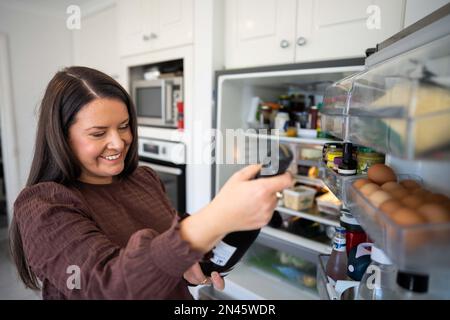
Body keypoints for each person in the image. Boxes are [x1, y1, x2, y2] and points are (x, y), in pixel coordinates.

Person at [9, 66, 293, 299]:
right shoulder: (43, 205)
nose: (118, 142)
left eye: (123, 126)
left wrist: (236, 220)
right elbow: (105, 288)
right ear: (61, 136)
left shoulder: (142, 178)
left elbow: (169, 236)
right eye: (98, 133)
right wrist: (215, 218)